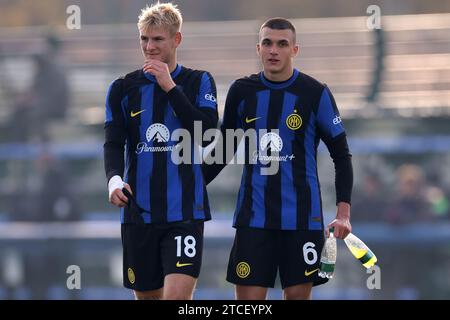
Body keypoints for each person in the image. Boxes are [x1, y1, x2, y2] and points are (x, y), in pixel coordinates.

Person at [203, 18, 353, 300]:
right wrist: (190, 184)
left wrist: (343, 213)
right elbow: (224, 150)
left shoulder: (314, 93)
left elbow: (341, 155)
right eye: (268, 43)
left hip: (301, 220)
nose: (274, 50)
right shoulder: (242, 91)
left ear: (294, 49)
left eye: (282, 44)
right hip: (253, 218)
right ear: (258, 48)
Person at [104, 2, 218, 300]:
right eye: (144, 39)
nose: (149, 46)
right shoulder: (122, 88)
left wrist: (169, 86)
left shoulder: (198, 81)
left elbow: (206, 135)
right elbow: (114, 142)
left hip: (184, 213)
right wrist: (114, 179)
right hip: (139, 214)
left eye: (158, 39)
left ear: (176, 39)